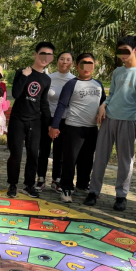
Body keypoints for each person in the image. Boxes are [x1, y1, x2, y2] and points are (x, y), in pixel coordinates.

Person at [84, 36, 136, 211]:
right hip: (109, 119)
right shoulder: (117, 71)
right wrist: (103, 105)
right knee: (100, 157)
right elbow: (112, 93)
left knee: (125, 161)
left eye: (126, 51)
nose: (122, 55)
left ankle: (121, 196)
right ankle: (93, 192)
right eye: (120, 51)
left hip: (128, 121)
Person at [50, 53, 106, 204]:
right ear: (77, 66)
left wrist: (103, 107)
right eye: (83, 64)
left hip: (91, 128)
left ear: (94, 66)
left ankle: (82, 184)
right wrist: (55, 125)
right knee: (70, 159)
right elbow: (62, 105)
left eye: (90, 64)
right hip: (73, 128)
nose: (86, 68)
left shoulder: (98, 84)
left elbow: (104, 101)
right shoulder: (71, 84)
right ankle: (66, 188)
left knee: (87, 159)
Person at [6, 42, 54, 199]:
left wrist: (49, 124)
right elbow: (16, 93)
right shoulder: (22, 72)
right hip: (18, 120)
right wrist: (24, 76)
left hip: (35, 121)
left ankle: (29, 185)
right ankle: (12, 184)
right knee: (16, 154)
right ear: (35, 54)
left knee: (33, 154)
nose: (45, 58)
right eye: (43, 54)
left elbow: (43, 103)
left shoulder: (46, 79)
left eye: (49, 55)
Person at [36, 52, 75, 193]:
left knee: (60, 152)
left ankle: (56, 179)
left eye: (68, 59)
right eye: (62, 59)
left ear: (72, 63)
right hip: (47, 118)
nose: (64, 62)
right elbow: (41, 99)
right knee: (44, 150)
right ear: (57, 61)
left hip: (65, 120)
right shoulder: (48, 78)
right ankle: (40, 179)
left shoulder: (74, 80)